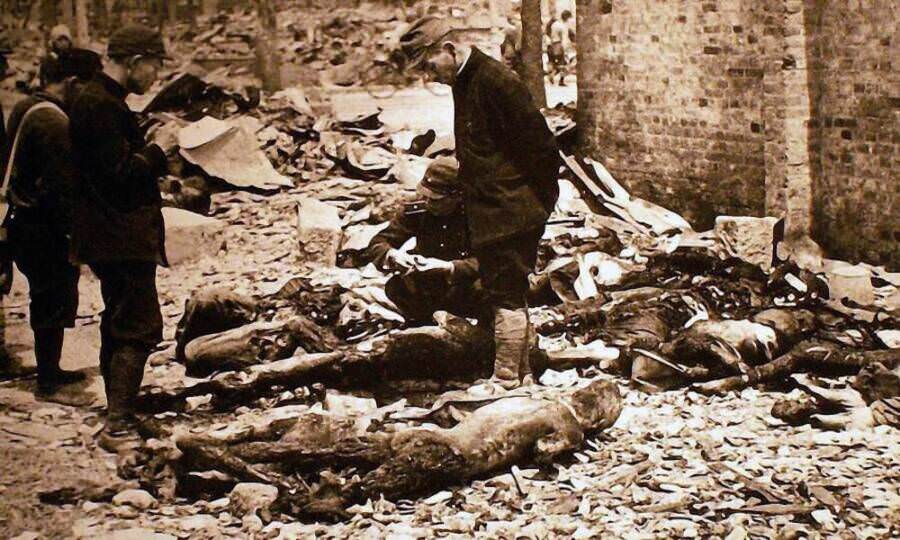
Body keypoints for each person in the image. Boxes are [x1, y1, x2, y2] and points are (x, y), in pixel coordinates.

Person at [399, 17, 561, 388]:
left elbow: (541, 150)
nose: (429, 75)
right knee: (508, 293)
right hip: (493, 212)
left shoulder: (497, 81)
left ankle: (504, 381)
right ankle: (522, 376)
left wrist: (535, 204)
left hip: (510, 212)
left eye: (429, 65)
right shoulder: (464, 81)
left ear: (450, 49)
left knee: (504, 296)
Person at [67, 24, 172, 447]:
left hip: (109, 232)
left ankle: (120, 413)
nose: (155, 77)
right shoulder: (101, 105)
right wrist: (159, 149)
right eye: (154, 67)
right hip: (120, 234)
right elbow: (121, 175)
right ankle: (120, 425)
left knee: (118, 321)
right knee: (137, 325)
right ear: (134, 62)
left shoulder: (99, 99)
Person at [2, 54, 95, 399]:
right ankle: (48, 380)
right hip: (43, 225)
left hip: (21, 219)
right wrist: (77, 234)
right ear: (71, 83)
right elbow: (62, 188)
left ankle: (50, 370)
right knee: (53, 297)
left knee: (44, 296)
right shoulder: (54, 122)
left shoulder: (25, 107)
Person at [364, 157, 485, 325]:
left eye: (436, 200)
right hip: (432, 285)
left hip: (465, 285)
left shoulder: (480, 216)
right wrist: (393, 255)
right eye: (425, 196)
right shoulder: (418, 209)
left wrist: (449, 267)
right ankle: (422, 325)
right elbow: (379, 242)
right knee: (397, 287)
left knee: (488, 288)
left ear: (458, 196)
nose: (427, 203)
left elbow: (495, 260)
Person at [547, 10, 572, 85]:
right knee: (563, 64)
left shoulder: (554, 24)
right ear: (566, 17)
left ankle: (552, 73)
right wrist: (566, 50)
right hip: (559, 46)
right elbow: (564, 39)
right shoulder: (563, 26)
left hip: (552, 45)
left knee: (553, 62)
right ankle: (560, 79)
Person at [500, 0, 523, 77]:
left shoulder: (510, 27)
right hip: (512, 51)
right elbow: (518, 46)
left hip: (508, 50)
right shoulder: (517, 25)